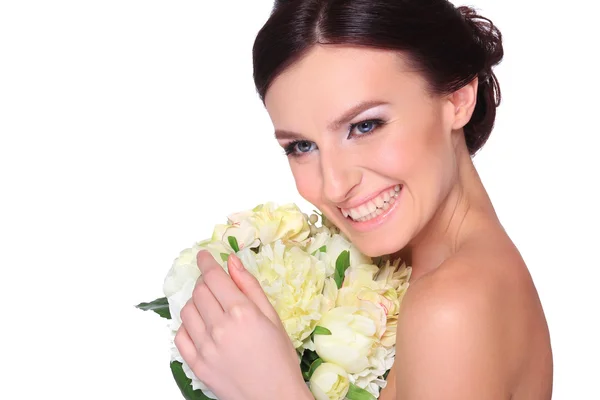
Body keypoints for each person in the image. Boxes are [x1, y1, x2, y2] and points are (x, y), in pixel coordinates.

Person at [174, 0, 553, 399]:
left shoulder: (451, 307)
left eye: (365, 125)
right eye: (301, 146)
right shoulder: (405, 276)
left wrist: (271, 389)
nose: (335, 186)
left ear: (457, 98)